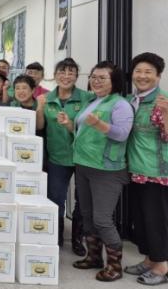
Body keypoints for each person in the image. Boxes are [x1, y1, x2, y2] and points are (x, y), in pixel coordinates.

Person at [60, 61, 133, 282]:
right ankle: (94, 257)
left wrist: (100, 125)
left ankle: (115, 266)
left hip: (106, 169)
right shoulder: (92, 101)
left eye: (102, 77)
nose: (96, 81)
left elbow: (122, 134)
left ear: (114, 81)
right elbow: (84, 131)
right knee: (88, 216)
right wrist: (69, 124)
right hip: (84, 165)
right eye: (93, 77)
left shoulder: (120, 104)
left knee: (102, 219)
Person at [35, 57, 91, 255]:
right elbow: (40, 126)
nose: (66, 76)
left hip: (84, 157)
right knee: (56, 199)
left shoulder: (87, 98)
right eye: (62, 72)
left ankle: (77, 239)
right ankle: (56, 237)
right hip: (57, 157)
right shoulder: (46, 98)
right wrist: (39, 108)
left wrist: (70, 125)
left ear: (77, 76)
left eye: (71, 73)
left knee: (83, 200)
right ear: (54, 75)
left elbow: (91, 129)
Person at [124, 52, 168, 285]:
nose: (142, 76)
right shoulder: (134, 100)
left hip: (156, 172)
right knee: (141, 220)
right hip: (136, 170)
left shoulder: (162, 101)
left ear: (158, 76)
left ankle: (162, 267)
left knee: (156, 221)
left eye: (148, 72)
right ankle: (150, 260)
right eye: (138, 71)